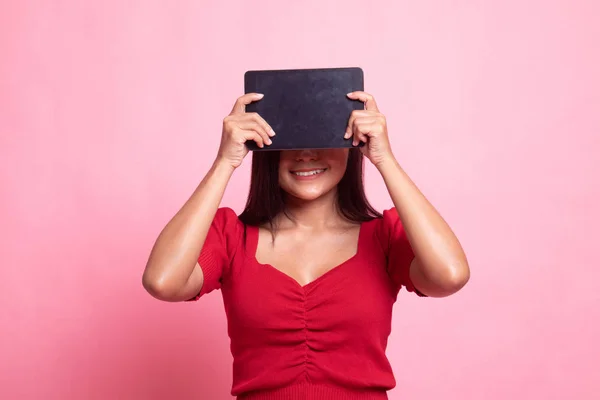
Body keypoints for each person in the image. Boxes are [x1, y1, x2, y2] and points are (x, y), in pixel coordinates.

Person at [142, 91, 470, 399]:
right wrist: (224, 162)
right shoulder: (231, 236)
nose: (305, 155)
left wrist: (385, 159)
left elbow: (450, 275)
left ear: (350, 143)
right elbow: (163, 282)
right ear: (266, 148)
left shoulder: (384, 236)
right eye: (291, 140)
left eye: (320, 137)